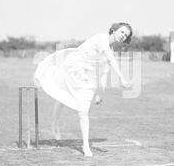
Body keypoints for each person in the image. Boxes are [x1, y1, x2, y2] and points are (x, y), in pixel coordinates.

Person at [34, 22, 133, 157]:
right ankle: (55, 125)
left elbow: (103, 72)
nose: (123, 36)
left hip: (88, 77)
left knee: (83, 110)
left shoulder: (110, 50)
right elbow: (110, 60)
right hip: (74, 68)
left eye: (126, 35)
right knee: (62, 96)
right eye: (122, 32)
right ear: (114, 30)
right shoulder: (101, 39)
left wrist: (98, 94)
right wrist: (122, 78)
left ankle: (85, 145)